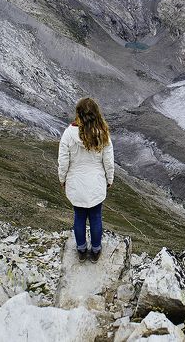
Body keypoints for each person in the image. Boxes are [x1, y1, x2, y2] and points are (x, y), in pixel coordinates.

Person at [58, 97, 115, 263]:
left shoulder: (68, 134)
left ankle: (81, 250)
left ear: (78, 113)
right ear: (96, 113)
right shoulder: (103, 134)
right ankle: (96, 250)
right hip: (96, 182)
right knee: (96, 217)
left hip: (76, 183)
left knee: (79, 217)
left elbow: (63, 161)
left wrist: (62, 179)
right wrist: (109, 179)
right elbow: (108, 162)